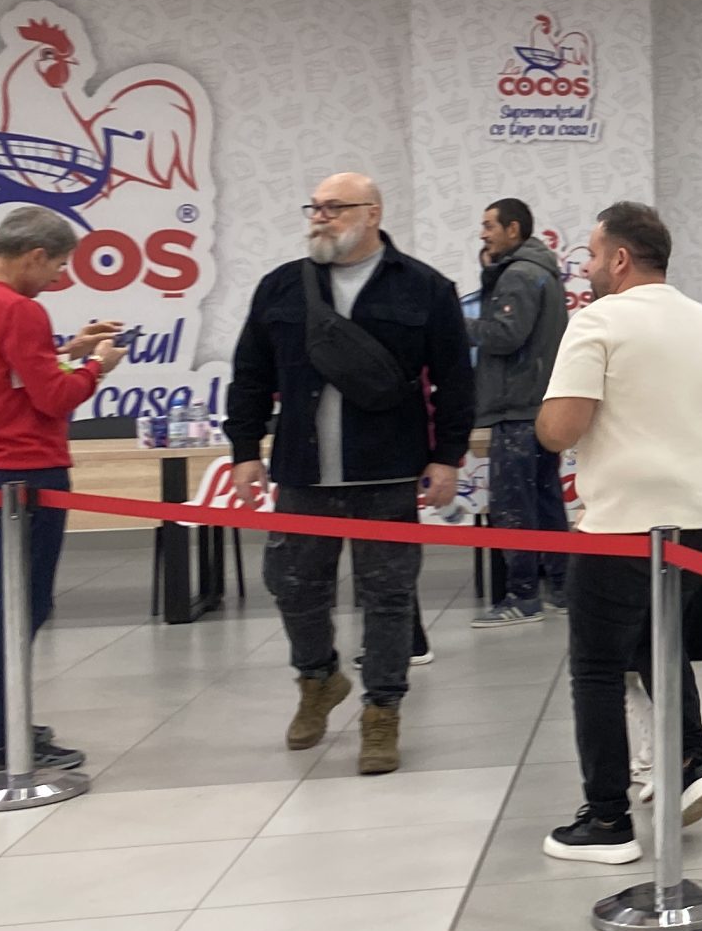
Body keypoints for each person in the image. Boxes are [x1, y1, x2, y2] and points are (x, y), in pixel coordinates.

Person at [226, 174, 473, 776]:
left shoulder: (424, 288)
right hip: (302, 472)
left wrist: (447, 456)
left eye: (335, 208)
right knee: (291, 584)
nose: (320, 217)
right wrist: (244, 450)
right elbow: (250, 373)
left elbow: (455, 380)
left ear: (373, 213)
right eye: (315, 207)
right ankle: (318, 679)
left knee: (388, 595)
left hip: (387, 471)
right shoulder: (281, 287)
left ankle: (382, 710)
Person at [535, 201, 702, 863]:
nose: (588, 268)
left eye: (593, 255)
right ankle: (691, 762)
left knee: (596, 665)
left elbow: (560, 429)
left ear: (620, 259)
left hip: (624, 519)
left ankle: (607, 820)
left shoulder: (598, 321)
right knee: (659, 636)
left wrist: (546, 413)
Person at [0, 208, 122, 773]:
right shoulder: (21, 310)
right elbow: (53, 398)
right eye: (58, 266)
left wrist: (70, 352)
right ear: (35, 255)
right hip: (27, 472)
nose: (58, 278)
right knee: (22, 604)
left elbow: (11, 377)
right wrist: (98, 367)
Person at [469, 196, 569, 629]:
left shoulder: (519, 275)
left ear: (514, 229)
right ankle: (562, 589)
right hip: (538, 407)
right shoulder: (538, 271)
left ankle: (523, 596)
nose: (482, 234)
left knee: (514, 506)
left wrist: (456, 323)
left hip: (517, 408)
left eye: (489, 226)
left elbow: (505, 335)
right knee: (545, 501)